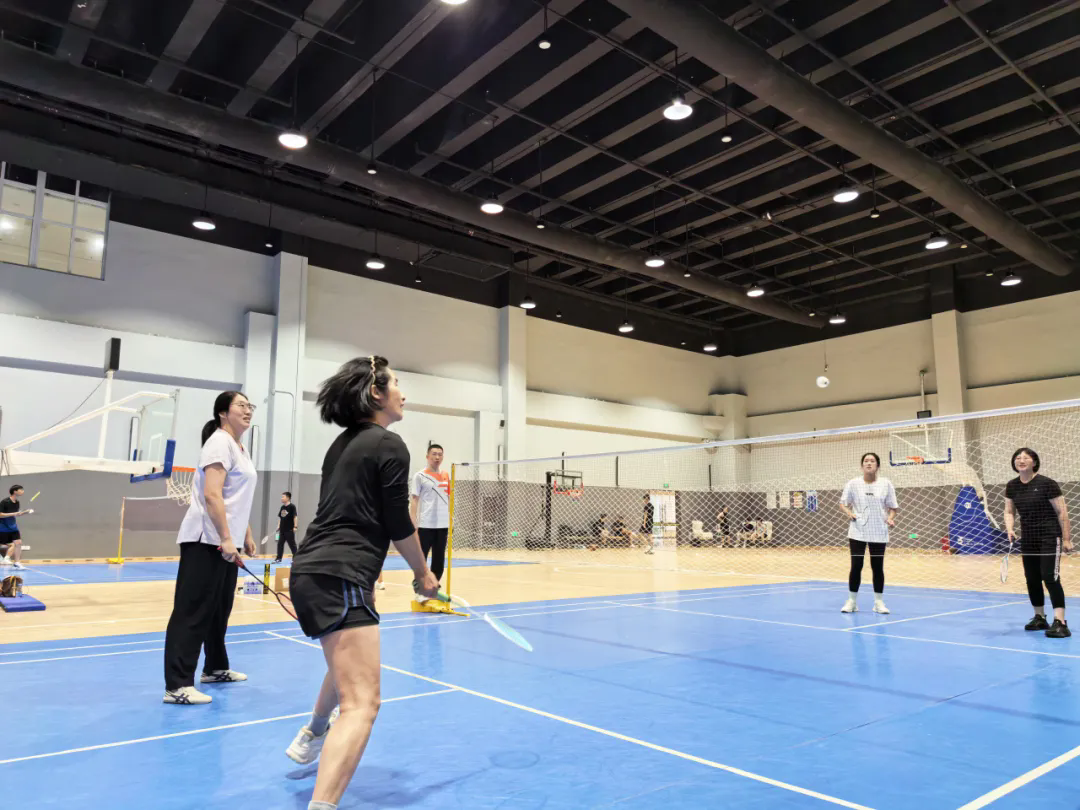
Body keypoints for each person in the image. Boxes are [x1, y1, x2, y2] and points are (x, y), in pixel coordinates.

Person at [284, 356, 439, 810]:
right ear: (376, 392)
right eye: (397, 384)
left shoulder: (340, 445)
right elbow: (396, 522)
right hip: (342, 572)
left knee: (345, 665)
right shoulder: (390, 444)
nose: (403, 393)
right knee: (362, 704)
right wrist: (423, 573)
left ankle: (312, 733)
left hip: (311, 570)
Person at [163, 391, 258, 705]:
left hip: (225, 540)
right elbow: (212, 495)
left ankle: (215, 668)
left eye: (250, 406)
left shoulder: (239, 447)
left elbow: (234, 497)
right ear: (223, 413)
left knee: (219, 610)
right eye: (241, 405)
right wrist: (226, 538)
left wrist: (244, 534)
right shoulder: (218, 442)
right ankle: (177, 685)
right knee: (192, 611)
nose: (248, 410)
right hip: (205, 539)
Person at [1005, 447, 1071, 638]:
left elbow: (1062, 512)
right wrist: (1010, 528)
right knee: (1032, 578)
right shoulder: (1012, 486)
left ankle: (1060, 622)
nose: (1021, 460)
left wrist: (1067, 539)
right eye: (1018, 457)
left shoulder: (1047, 483)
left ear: (1034, 462)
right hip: (1028, 538)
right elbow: (1009, 511)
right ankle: (1039, 617)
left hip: (1049, 536)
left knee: (1050, 577)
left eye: (1026, 458)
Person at [839, 452, 898, 615]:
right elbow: (842, 503)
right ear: (862, 465)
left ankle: (878, 603)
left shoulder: (886, 484)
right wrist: (849, 513)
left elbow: (893, 508)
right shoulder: (853, 483)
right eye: (866, 461)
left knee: (877, 567)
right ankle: (852, 602)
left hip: (879, 531)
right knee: (856, 566)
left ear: (877, 465)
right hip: (857, 531)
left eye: (872, 461)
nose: (869, 463)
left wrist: (890, 519)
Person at [410, 443, 449, 601]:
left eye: (440, 454)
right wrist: (413, 522)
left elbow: (449, 498)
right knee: (422, 561)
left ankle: (432, 590)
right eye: (434, 454)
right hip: (425, 526)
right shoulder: (419, 476)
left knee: (439, 562)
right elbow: (414, 500)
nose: (437, 457)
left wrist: (451, 520)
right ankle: (420, 591)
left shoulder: (446, 475)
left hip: (443, 526)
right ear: (427, 456)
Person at [0, 485, 31, 569]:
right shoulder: (5, 502)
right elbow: (0, 514)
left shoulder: (17, 502)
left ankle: (17, 562)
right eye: (21, 490)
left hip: (13, 527)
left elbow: (16, 514)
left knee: (18, 543)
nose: (22, 491)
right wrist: (14, 513)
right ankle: (5, 559)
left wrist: (25, 512)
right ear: (15, 491)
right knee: (10, 544)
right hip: (3, 527)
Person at [274, 492, 298, 563]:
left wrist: (295, 526)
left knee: (292, 545)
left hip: (289, 529)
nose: (281, 498)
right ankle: (278, 558)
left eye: (283, 497)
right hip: (282, 530)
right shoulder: (282, 507)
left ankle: (296, 559)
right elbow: (280, 517)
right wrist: (278, 526)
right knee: (280, 544)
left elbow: (295, 517)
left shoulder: (292, 506)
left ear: (288, 498)